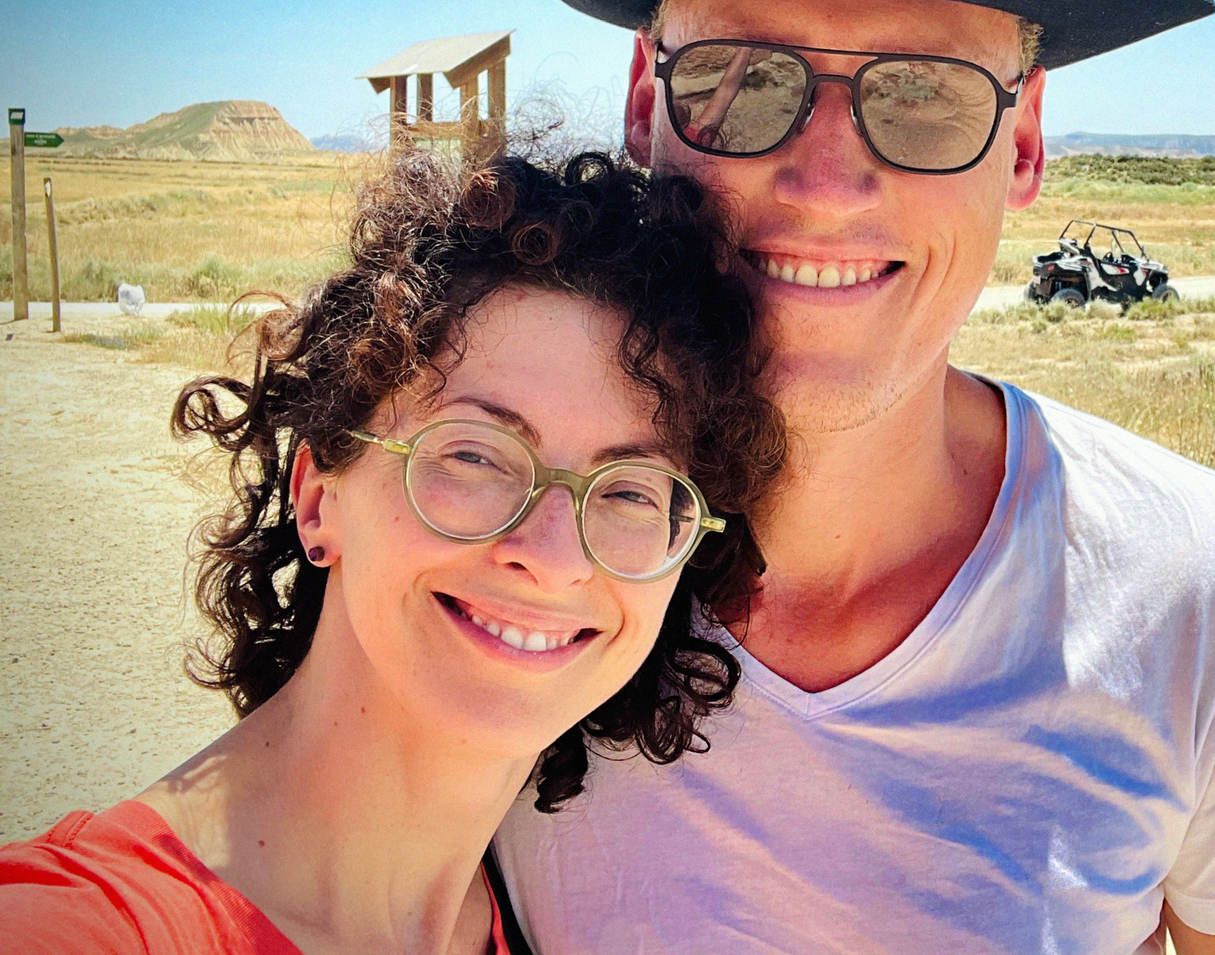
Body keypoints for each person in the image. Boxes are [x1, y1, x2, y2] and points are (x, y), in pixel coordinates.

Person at [498, 0, 1215, 954]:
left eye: (924, 93)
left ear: (1021, 146)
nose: (825, 179)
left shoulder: (1201, 587)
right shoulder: (501, 561)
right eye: (745, 76)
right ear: (649, 107)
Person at [0, 152, 785, 954]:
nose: (554, 556)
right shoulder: (87, 926)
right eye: (474, 455)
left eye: (629, 491)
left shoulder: (529, 916)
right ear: (318, 498)